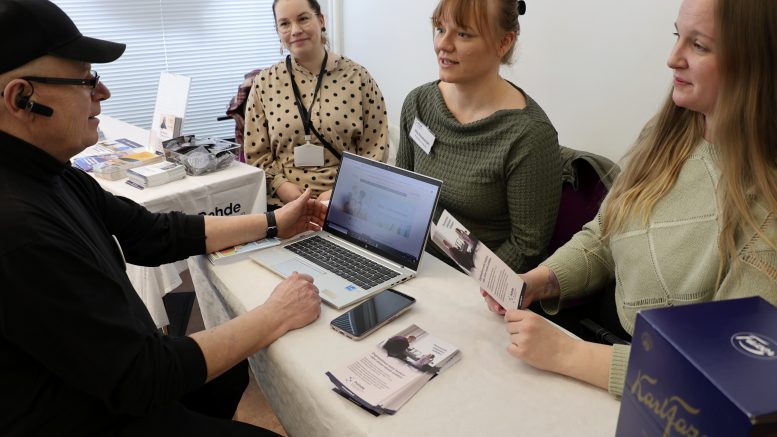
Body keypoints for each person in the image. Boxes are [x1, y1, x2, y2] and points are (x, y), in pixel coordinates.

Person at [0, 1, 327, 434]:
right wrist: (275, 314)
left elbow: (152, 233)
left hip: (113, 378)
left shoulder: (51, 173)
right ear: (21, 98)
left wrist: (273, 222)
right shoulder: (21, 229)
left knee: (228, 371)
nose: (103, 93)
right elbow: (144, 377)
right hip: (92, 412)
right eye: (85, 80)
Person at [483, 0, 777, 398]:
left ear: (755, 62)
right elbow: (605, 234)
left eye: (700, 46)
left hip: (655, 387)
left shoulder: (766, 204)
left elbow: (721, 370)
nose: (673, 58)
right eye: (677, 37)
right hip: (603, 347)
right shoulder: (667, 133)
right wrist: (537, 282)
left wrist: (569, 355)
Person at [396, 0, 561, 274]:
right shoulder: (418, 103)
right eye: (439, 29)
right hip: (416, 264)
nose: (443, 45)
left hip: (479, 284)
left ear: (504, 42)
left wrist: (462, 287)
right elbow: (402, 193)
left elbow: (526, 248)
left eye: (463, 34)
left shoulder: (529, 136)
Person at [244, 0, 389, 209]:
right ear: (277, 31)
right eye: (284, 24)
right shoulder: (264, 83)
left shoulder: (358, 78)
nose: (295, 30)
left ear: (321, 20)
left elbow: (376, 149)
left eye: (303, 19)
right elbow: (256, 153)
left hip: (347, 203)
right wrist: (281, 186)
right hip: (282, 205)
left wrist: (341, 191)